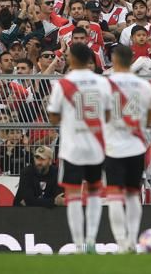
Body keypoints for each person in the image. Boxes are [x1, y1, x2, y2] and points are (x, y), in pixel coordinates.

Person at [46, 42, 112, 253]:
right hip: (95, 147)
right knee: (94, 194)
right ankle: (91, 238)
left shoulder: (63, 84)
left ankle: (77, 243)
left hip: (72, 148)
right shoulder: (102, 83)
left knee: (73, 196)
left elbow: (53, 118)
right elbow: (109, 115)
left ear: (73, 59)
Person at [104, 44, 151, 253]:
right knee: (134, 195)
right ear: (132, 58)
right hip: (136, 146)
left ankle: (121, 242)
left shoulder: (105, 84)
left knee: (115, 196)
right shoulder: (144, 86)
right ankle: (133, 240)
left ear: (115, 60)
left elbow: (101, 115)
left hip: (113, 147)